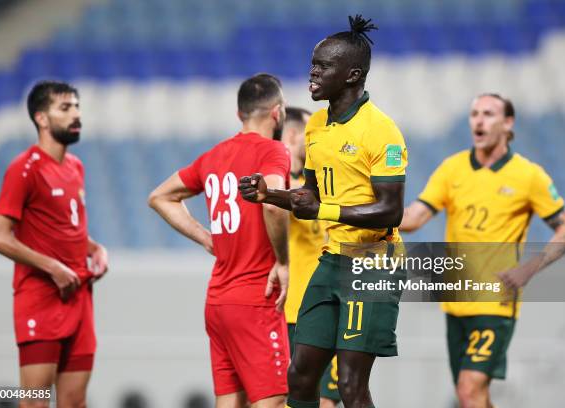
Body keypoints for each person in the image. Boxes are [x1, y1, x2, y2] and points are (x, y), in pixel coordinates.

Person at [239, 15, 407, 408]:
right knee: (299, 376)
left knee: (350, 384)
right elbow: (308, 198)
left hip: (373, 262)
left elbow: (391, 211)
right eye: (313, 64)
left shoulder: (382, 131)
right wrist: (268, 196)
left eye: (322, 66)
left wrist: (324, 208)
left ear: (352, 75)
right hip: (333, 261)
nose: (312, 73)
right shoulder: (316, 125)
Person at [399, 93, 565, 408]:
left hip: (496, 300)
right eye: (474, 113)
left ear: (508, 123)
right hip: (458, 299)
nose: (479, 120)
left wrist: (530, 267)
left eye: (488, 114)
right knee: (471, 394)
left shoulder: (529, 175)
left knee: (470, 388)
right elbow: (415, 217)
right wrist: (370, 213)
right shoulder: (452, 168)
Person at [148, 73, 291, 408]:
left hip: (218, 301)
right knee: (273, 399)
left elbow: (159, 197)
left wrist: (205, 238)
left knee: (230, 403)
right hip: (256, 297)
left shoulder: (214, 156)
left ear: (240, 114)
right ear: (277, 112)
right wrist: (283, 262)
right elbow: (273, 203)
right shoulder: (273, 150)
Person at [0, 80, 109, 408]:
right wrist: (52, 267)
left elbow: (65, 228)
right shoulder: (23, 169)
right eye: (66, 108)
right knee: (35, 401)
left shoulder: (75, 167)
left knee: (73, 401)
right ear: (42, 118)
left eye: (77, 107)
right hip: (41, 298)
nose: (76, 114)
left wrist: (94, 248)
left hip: (79, 295)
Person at [281, 107, 340, 408]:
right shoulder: (278, 188)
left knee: (328, 400)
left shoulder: (314, 188)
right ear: (292, 136)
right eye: (311, 132)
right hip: (292, 314)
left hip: (327, 310)